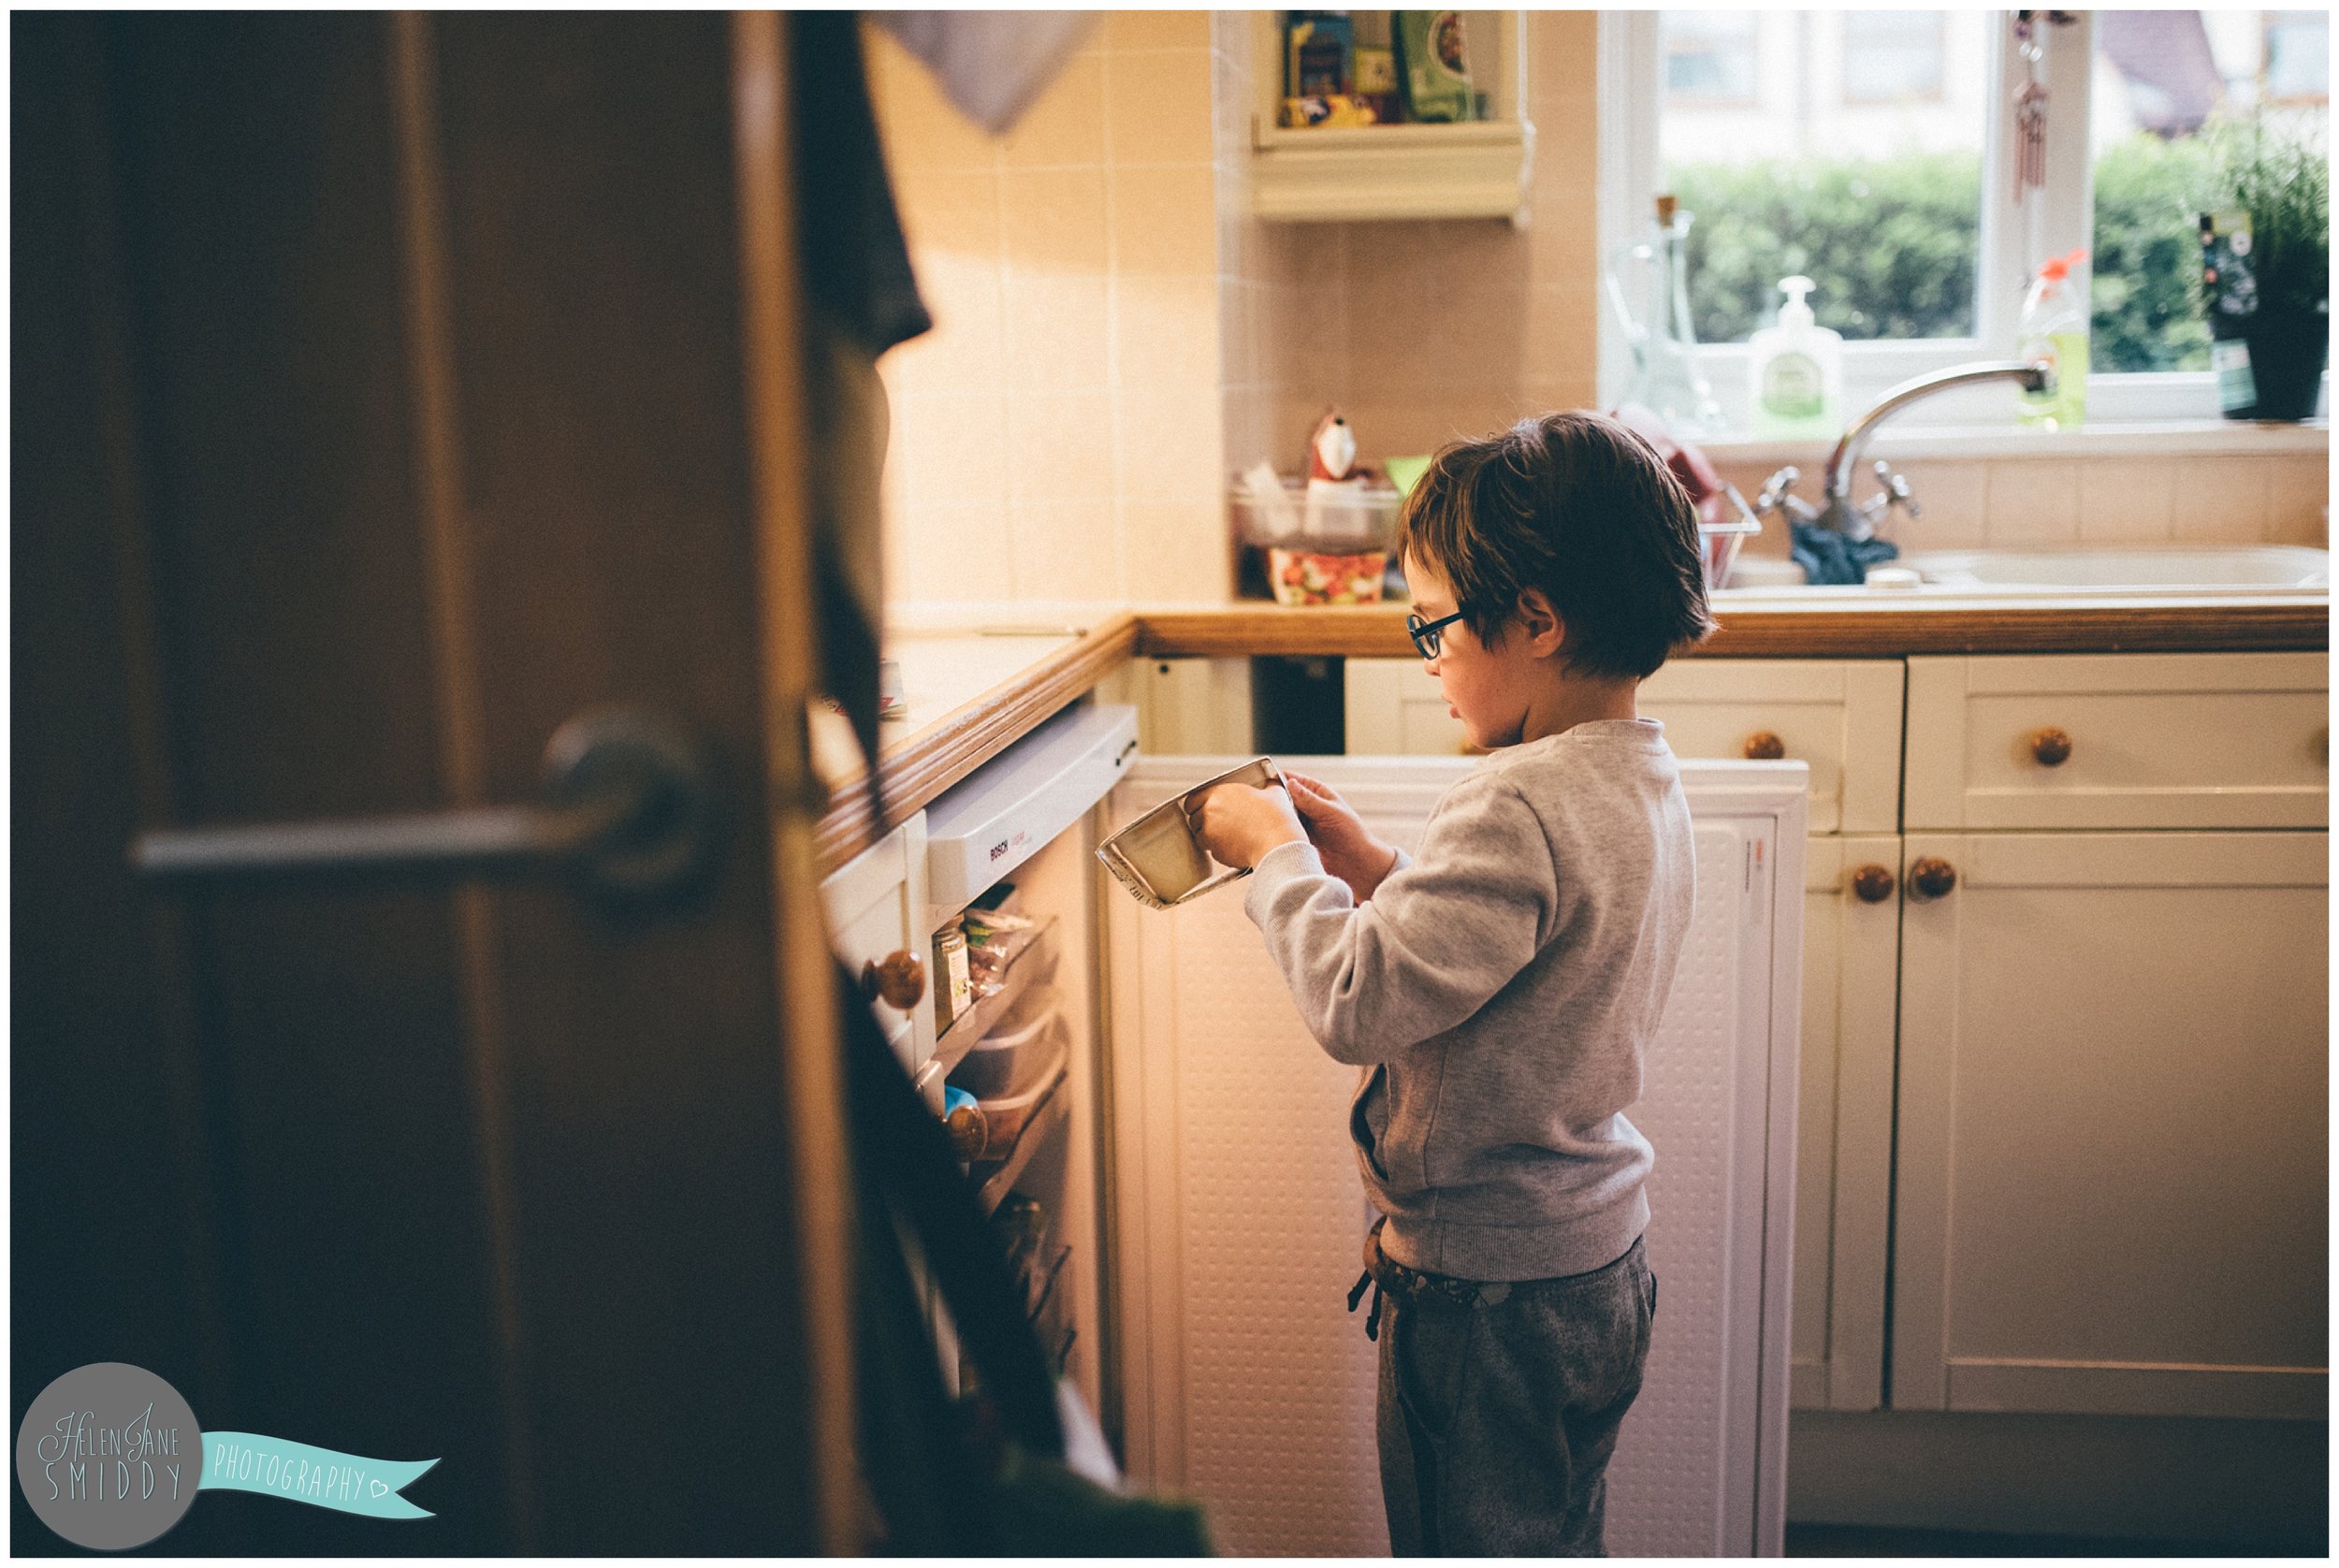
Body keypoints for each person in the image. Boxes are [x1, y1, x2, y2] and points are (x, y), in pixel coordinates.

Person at [1186, 410, 1716, 1556]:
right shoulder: (1639, 779)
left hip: (1484, 1293)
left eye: (1431, 626)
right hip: (1596, 1269)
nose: (1426, 661)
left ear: (1534, 617)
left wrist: (1271, 855)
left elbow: (1356, 1002)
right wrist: (1374, 868)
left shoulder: (1511, 800)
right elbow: (1525, 950)